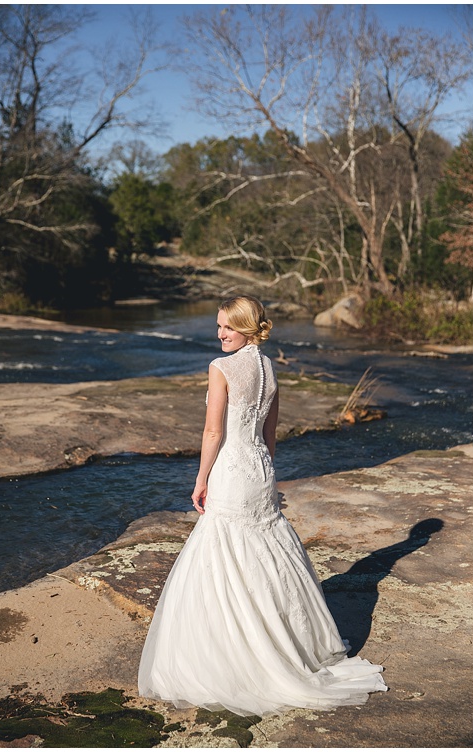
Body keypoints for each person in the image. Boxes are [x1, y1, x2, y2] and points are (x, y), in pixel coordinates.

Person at [137, 295, 387, 717]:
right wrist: (266, 472)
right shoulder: (270, 368)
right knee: (265, 551)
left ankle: (234, 655)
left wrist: (200, 480)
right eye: (218, 327)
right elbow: (270, 434)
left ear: (247, 328)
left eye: (227, 328)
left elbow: (213, 433)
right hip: (258, 469)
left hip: (232, 471)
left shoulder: (221, 368)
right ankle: (284, 639)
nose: (219, 334)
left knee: (224, 555)